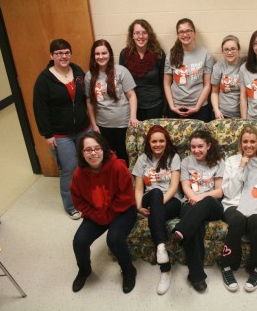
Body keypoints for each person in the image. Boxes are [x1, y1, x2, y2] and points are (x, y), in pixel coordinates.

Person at [70, 132, 137, 293]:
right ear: (82, 153)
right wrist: (97, 214)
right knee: (79, 241)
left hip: (123, 210)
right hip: (97, 212)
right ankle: (84, 270)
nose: (93, 153)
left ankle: (128, 270)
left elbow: (126, 196)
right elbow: (78, 201)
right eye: (88, 150)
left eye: (97, 148)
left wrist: (107, 215)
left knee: (114, 239)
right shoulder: (78, 174)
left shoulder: (118, 167)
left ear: (103, 149)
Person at [33, 38, 91, 220]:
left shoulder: (78, 71)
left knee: (88, 165)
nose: (63, 56)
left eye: (66, 52)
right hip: (60, 134)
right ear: (52, 56)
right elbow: (40, 109)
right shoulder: (44, 80)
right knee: (70, 168)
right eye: (58, 53)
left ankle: (88, 197)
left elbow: (85, 98)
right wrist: (47, 135)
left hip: (84, 128)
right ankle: (71, 205)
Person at [219, 125, 257, 293]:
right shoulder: (231, 161)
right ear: (240, 143)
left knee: (256, 221)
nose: (249, 145)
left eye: (252, 142)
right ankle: (227, 266)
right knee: (237, 220)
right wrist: (241, 166)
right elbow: (228, 192)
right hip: (232, 204)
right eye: (245, 142)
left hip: (256, 205)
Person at [171, 130, 225, 292]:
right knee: (196, 225)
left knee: (207, 200)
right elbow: (186, 186)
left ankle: (179, 232)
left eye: (200, 146)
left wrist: (200, 197)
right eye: (193, 147)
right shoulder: (186, 162)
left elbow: (219, 191)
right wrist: (193, 199)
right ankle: (196, 276)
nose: (196, 150)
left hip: (212, 205)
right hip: (191, 203)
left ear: (208, 146)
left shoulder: (219, 162)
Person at [132, 125, 182, 295]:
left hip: (171, 200)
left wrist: (158, 205)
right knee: (154, 191)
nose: (158, 144)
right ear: (149, 143)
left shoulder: (173, 157)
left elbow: (174, 186)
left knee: (156, 212)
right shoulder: (142, 159)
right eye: (154, 141)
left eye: (161, 140)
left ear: (166, 142)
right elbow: (138, 188)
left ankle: (164, 264)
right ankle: (163, 255)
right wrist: (139, 207)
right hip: (149, 198)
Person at [85, 39, 138, 167]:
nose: (101, 57)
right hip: (103, 125)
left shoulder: (121, 71)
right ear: (93, 56)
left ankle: (125, 182)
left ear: (110, 54)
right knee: (107, 158)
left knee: (124, 156)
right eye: (97, 54)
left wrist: (133, 117)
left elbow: (131, 95)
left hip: (123, 124)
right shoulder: (89, 75)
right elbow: (89, 102)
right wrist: (94, 125)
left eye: (104, 53)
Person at [211, 35, 257, 119]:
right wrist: (216, 110)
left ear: (239, 50)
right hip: (222, 114)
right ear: (222, 51)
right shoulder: (218, 66)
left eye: (233, 49)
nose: (230, 52)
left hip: (242, 114)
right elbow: (214, 92)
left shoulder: (246, 63)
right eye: (226, 49)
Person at [164, 18, 214, 122]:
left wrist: (197, 107)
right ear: (178, 35)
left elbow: (207, 85)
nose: (185, 34)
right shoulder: (171, 55)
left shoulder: (206, 54)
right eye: (181, 32)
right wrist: (172, 106)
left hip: (199, 107)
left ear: (194, 33)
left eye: (188, 31)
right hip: (176, 108)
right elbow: (167, 84)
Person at [119, 19, 167, 120]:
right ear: (132, 35)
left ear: (149, 35)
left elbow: (165, 83)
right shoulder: (124, 54)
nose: (140, 37)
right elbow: (122, 84)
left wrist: (165, 108)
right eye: (137, 33)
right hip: (134, 108)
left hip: (156, 106)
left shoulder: (159, 54)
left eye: (144, 33)